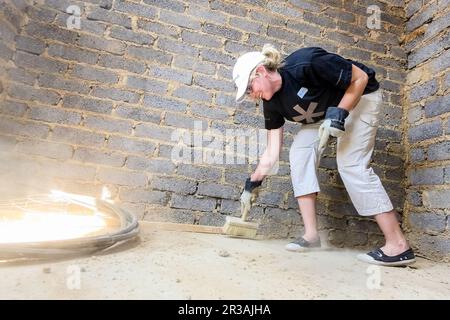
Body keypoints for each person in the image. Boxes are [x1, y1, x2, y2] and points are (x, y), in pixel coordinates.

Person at [232, 44, 415, 266]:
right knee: (299, 153)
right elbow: (272, 151)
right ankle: (311, 236)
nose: (252, 96)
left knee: (351, 164)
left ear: (260, 71)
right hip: (325, 114)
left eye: (250, 88)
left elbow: (359, 79)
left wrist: (339, 113)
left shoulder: (306, 63)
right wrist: (253, 182)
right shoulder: (271, 102)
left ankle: (398, 245)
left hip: (361, 97)